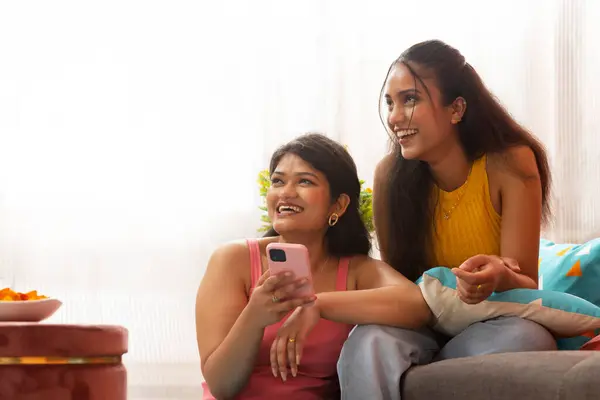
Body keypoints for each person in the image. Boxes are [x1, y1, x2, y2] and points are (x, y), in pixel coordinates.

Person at [337, 39, 558, 400]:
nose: (394, 117)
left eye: (410, 99)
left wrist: (499, 275)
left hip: (494, 319)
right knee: (369, 339)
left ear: (456, 109)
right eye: (389, 103)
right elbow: (401, 290)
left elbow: (526, 284)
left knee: (527, 338)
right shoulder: (389, 175)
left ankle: (432, 369)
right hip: (423, 321)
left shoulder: (511, 163)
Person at [195, 133, 432, 400]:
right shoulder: (232, 260)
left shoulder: (355, 270)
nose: (285, 193)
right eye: (278, 181)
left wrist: (316, 305)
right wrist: (254, 317)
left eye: (305, 181)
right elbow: (221, 385)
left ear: (339, 205)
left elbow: (417, 306)